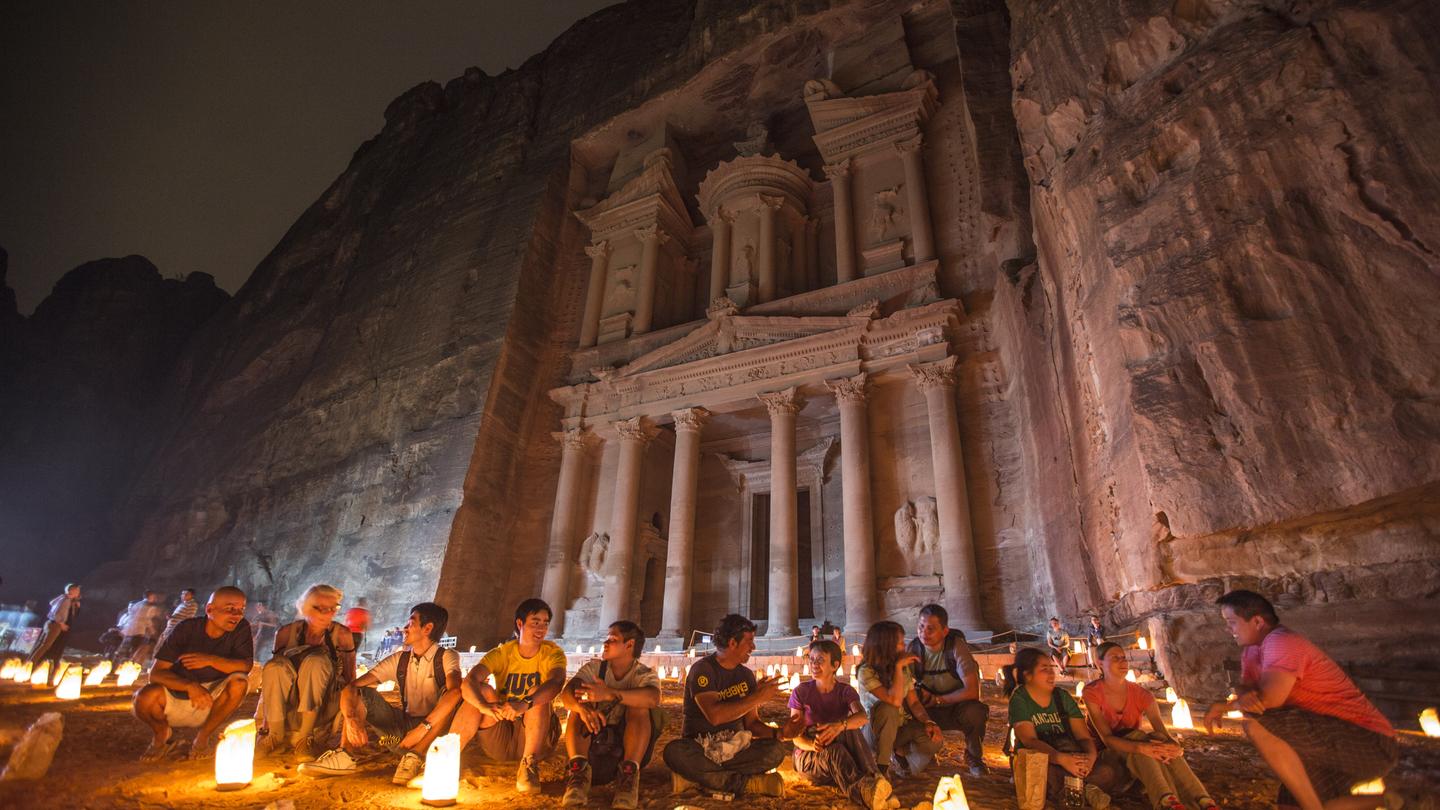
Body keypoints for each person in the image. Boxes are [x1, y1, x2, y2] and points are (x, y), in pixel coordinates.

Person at [1203, 590, 1398, 810]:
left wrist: (1225, 706)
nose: (1228, 629)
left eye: (1232, 622)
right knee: (1295, 804)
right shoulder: (1252, 651)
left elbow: (1269, 701)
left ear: (1257, 621)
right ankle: (1402, 802)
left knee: (1257, 724)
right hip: (1321, 741)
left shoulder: (1281, 642)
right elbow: (1247, 690)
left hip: (1368, 742)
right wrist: (1243, 693)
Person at [303, 602, 462, 785]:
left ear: (427, 628)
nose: (405, 628)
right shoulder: (399, 660)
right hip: (400, 737)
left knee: (449, 695)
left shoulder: (446, 657)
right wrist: (351, 719)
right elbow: (351, 688)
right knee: (360, 692)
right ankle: (345, 755)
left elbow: (455, 692)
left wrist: (422, 729)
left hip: (434, 739)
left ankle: (415, 757)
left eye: (410, 623)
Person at [662, 613, 786, 798]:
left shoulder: (746, 675)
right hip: (701, 747)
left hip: (736, 748)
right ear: (732, 643)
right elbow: (715, 716)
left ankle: (699, 779)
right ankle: (746, 783)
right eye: (749, 641)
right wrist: (757, 697)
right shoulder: (703, 670)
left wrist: (781, 733)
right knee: (674, 752)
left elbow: (752, 724)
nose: (753, 647)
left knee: (775, 750)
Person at [1084, 642, 1218, 810]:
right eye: (1115, 658)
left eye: (1124, 658)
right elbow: (1108, 740)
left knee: (1159, 739)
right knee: (1141, 739)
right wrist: (1141, 747)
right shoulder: (1092, 692)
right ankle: (1180, 801)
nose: (1123, 662)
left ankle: (1196, 802)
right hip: (1107, 755)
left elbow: (1163, 733)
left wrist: (1175, 748)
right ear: (1099, 663)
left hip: (1138, 754)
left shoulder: (1142, 694)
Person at [453, 597, 567, 793]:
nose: (541, 628)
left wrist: (524, 704)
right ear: (520, 623)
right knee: (482, 691)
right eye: (535, 622)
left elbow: (556, 682)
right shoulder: (502, 653)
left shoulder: (553, 653)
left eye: (545, 623)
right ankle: (449, 755)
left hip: (538, 737)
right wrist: (483, 706)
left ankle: (529, 766)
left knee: (536, 692)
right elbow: (469, 681)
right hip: (501, 733)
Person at [132, 587, 254, 762]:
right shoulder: (186, 629)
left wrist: (210, 660)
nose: (237, 615)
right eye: (230, 608)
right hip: (180, 694)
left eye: (241, 609)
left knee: (240, 683)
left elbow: (245, 665)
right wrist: (190, 686)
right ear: (210, 609)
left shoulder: (241, 628)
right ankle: (161, 735)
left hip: (215, 699)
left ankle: (202, 738)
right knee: (143, 698)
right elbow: (157, 673)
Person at [560, 620, 663, 809]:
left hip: (625, 750)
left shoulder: (643, 674)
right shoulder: (595, 669)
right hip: (592, 746)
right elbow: (566, 695)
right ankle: (578, 773)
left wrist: (609, 694)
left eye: (612, 639)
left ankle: (628, 778)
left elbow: (653, 698)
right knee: (580, 700)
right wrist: (583, 710)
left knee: (639, 705)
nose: (605, 643)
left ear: (629, 645)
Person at [782, 638, 893, 809]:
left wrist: (840, 725)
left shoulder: (845, 691)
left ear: (834, 665)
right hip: (809, 756)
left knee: (849, 729)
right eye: (811, 660)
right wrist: (813, 744)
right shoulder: (801, 692)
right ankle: (865, 791)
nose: (814, 665)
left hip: (839, 750)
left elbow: (862, 717)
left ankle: (875, 779)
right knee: (835, 751)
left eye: (820, 660)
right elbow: (795, 737)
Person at [1008, 646, 1120, 807]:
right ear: (1028, 675)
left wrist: (1090, 757)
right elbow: (1030, 741)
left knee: (1107, 772)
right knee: (1046, 775)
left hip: (1071, 755)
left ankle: (1078, 789)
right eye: (1044, 669)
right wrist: (1061, 759)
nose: (1051, 673)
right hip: (1044, 759)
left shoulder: (1062, 697)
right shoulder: (1020, 699)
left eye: (1051, 668)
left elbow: (1083, 736)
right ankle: (1084, 790)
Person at [259, 583, 356, 758]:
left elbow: (350, 679)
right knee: (275, 666)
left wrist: (350, 717)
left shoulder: (342, 635)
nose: (328, 613)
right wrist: (264, 724)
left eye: (333, 608)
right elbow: (272, 679)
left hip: (323, 704)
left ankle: (305, 738)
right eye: (320, 608)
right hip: (288, 705)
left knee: (316, 661)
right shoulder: (286, 633)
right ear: (305, 608)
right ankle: (275, 735)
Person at [909, 603, 989, 776]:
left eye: (931, 628)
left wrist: (939, 699)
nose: (924, 633)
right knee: (907, 707)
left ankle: (974, 756)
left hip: (957, 707)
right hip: (929, 710)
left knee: (976, 711)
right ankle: (925, 751)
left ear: (945, 631)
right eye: (921, 627)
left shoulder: (956, 648)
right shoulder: (914, 649)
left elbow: (972, 691)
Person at [856, 620, 942, 780]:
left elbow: (914, 703)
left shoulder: (901, 667)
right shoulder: (866, 671)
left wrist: (929, 722)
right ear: (886, 645)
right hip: (873, 733)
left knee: (934, 740)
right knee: (889, 709)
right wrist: (898, 668)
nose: (904, 646)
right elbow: (893, 701)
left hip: (899, 728)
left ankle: (902, 759)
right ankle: (881, 768)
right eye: (900, 643)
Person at [28, 583, 80, 668]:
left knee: (41, 645)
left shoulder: (62, 598)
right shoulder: (65, 600)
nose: (78, 592)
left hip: (51, 623)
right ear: (72, 590)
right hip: (54, 625)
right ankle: (31, 664)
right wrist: (61, 623)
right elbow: (55, 613)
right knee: (45, 646)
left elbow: (52, 604)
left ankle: (29, 662)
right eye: (77, 590)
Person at [117, 590, 168, 665]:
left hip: (128, 630)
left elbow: (131, 616)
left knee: (124, 649)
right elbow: (147, 620)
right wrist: (152, 631)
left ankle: (118, 664)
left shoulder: (137, 604)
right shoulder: (150, 607)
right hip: (139, 631)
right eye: (153, 597)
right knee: (136, 648)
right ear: (149, 597)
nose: (155, 598)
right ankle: (129, 666)